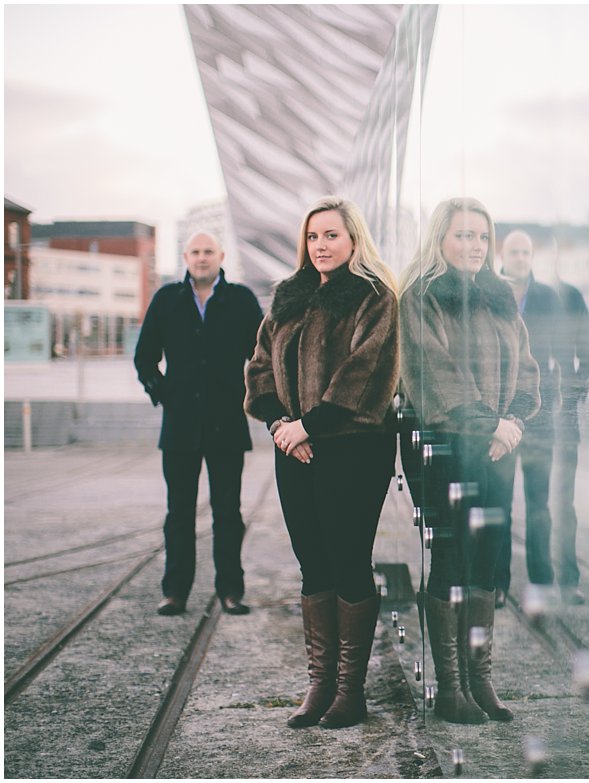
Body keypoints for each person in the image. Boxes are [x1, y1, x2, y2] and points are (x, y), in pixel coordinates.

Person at [244, 196, 400, 730]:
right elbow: (259, 369)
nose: (321, 246)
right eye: (313, 237)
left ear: (354, 239)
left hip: (355, 448)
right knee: (313, 561)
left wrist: (307, 425)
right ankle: (321, 684)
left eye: (331, 235)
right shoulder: (290, 298)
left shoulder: (375, 296)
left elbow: (365, 371)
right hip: (296, 448)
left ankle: (350, 692)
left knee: (349, 558)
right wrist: (281, 427)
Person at [398, 197, 540, 724]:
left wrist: (515, 423)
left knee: (488, 558)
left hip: (497, 445)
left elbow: (528, 370)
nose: (474, 246)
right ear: (440, 240)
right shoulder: (420, 298)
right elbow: (431, 372)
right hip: (439, 445)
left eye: (482, 237)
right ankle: (451, 686)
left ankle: (480, 679)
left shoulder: (499, 298)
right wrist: (489, 424)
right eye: (462, 236)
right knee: (452, 556)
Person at [135, 230, 263, 618]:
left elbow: (261, 356)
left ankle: (230, 591)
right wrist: (163, 393)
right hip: (179, 427)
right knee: (179, 513)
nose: (202, 257)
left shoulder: (240, 300)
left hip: (227, 423)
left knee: (229, 512)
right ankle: (175, 591)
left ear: (221, 255)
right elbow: (144, 358)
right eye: (195, 252)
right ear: (185, 256)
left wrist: (253, 398)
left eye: (209, 251)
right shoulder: (166, 300)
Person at [495, 230, 572, 608]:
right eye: (514, 252)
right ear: (503, 255)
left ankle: (541, 581)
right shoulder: (489, 294)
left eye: (526, 252)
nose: (521, 258)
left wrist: (557, 395)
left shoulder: (546, 298)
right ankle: (498, 583)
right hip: (500, 417)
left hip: (539, 416)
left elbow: (562, 351)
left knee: (539, 504)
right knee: (500, 504)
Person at [551, 277, 589, 605]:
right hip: (518, 419)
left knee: (562, 502)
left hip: (561, 417)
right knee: (540, 504)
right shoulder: (504, 291)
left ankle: (566, 581)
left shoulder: (570, 296)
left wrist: (572, 394)